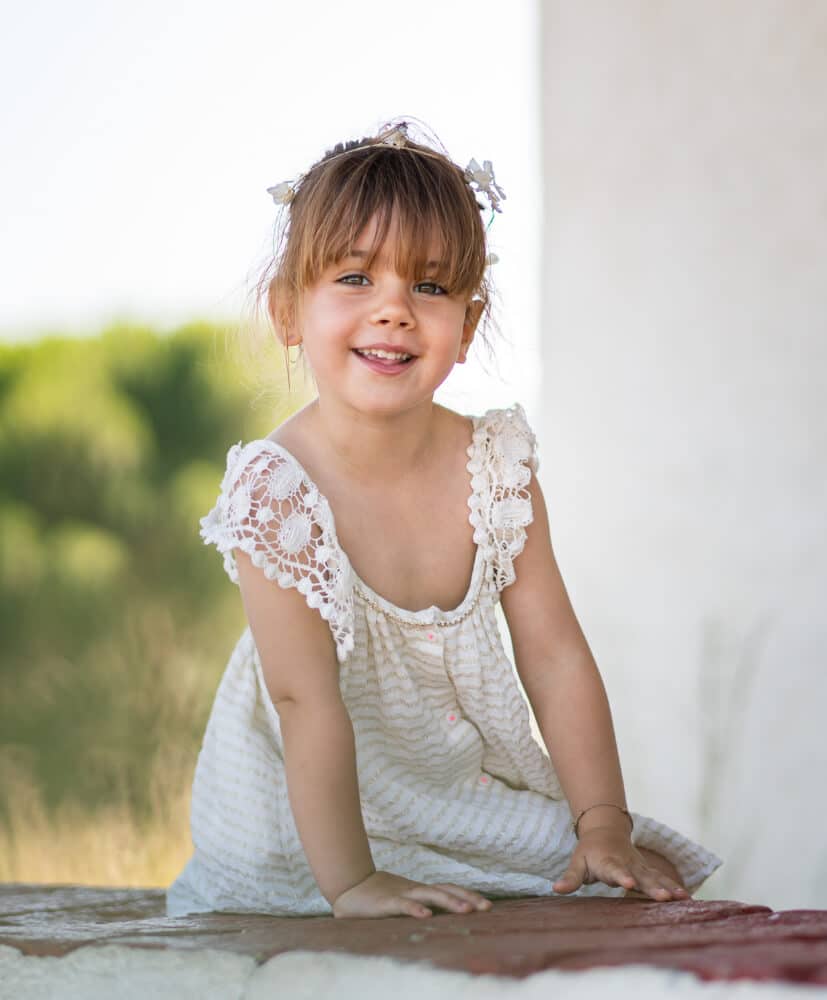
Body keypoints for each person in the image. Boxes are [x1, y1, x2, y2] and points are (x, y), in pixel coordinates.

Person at [167, 119, 722, 920]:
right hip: (307, 812)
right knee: (290, 884)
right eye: (354, 278)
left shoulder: (494, 467)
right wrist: (352, 883)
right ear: (288, 310)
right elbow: (301, 702)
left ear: (465, 323)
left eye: (427, 287)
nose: (393, 311)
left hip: (447, 788)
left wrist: (600, 819)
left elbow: (555, 654)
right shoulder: (276, 493)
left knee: (615, 865)